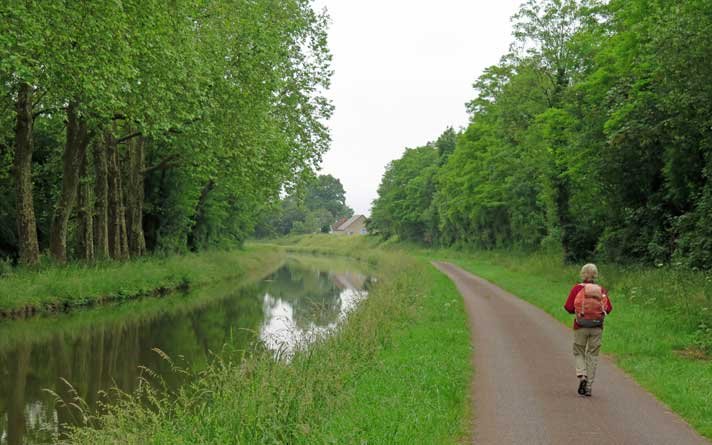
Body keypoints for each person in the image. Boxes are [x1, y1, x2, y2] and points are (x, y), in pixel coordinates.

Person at [564, 263, 613, 397]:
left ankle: (582, 376)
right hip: (597, 327)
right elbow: (608, 309)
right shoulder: (600, 290)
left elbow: (568, 307)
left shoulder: (577, 288)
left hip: (580, 326)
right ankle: (589, 387)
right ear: (595, 275)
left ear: (582, 274)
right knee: (593, 355)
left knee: (579, 351)